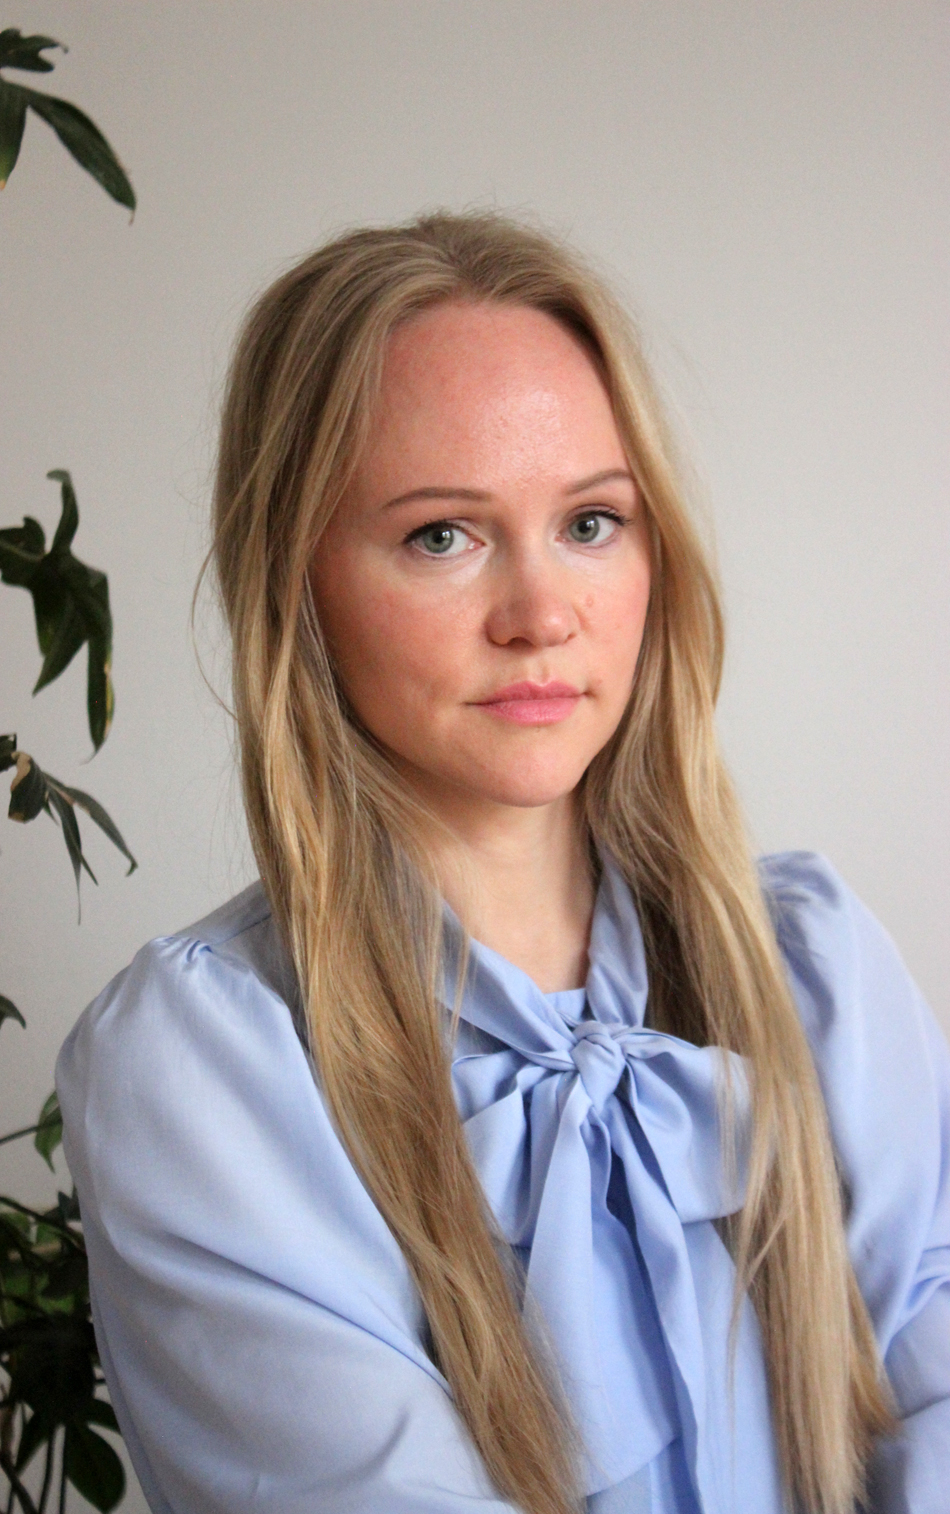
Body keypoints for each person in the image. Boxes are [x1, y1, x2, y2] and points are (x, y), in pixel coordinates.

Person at [57, 212, 949, 1514]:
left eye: (591, 521)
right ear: (297, 584)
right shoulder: (208, 1067)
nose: (541, 615)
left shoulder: (814, 966)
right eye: (442, 536)